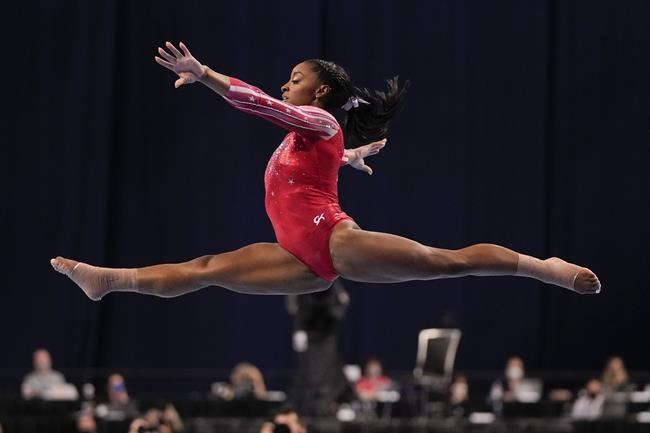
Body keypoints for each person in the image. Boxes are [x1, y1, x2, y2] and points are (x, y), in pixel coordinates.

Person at [51, 41, 601, 301]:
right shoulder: (314, 134)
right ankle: (108, 280)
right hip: (297, 257)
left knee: (444, 263)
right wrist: (348, 157)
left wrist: (206, 74)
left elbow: (264, 105)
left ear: (321, 90)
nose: (287, 83)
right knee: (206, 267)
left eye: (295, 76)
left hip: (330, 241)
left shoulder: (313, 117)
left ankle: (542, 266)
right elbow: (312, 156)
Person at [287, 281, 351, 416]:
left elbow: (342, 300)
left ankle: (323, 404)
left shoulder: (332, 284)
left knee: (324, 371)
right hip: (309, 334)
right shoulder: (303, 286)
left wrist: (341, 302)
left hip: (325, 334)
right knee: (309, 373)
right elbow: (294, 306)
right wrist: (299, 329)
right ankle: (307, 407)